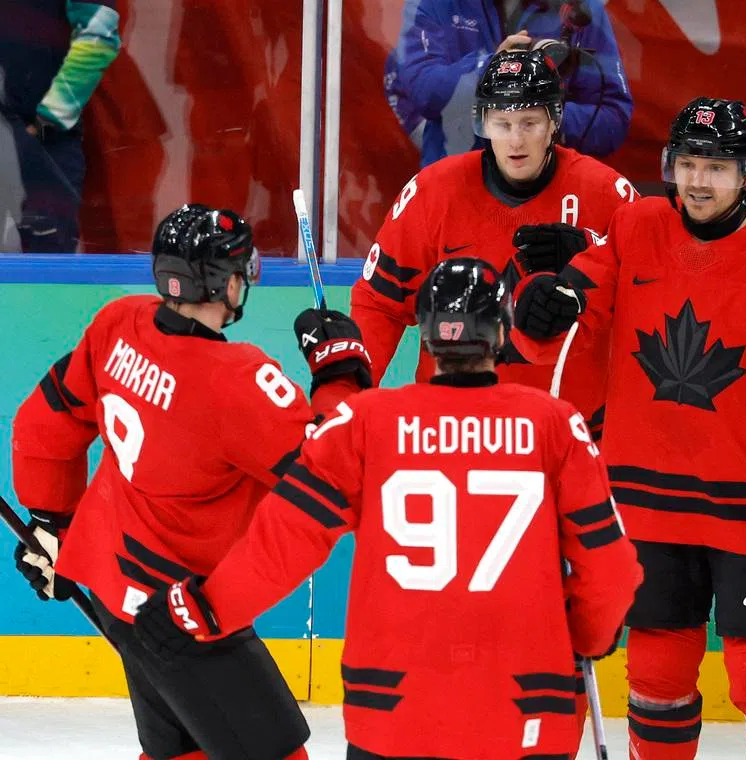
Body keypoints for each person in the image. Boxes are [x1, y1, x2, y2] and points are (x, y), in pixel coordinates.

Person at [130, 257, 643, 759]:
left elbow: (283, 542)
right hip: (524, 703)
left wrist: (204, 608)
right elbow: (611, 569)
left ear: (426, 335)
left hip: (394, 706)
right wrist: (590, 634)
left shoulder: (365, 421)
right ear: (502, 334)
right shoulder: (554, 425)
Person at [510, 97, 746, 760]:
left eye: (716, 166)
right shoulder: (633, 228)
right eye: (688, 164)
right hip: (650, 505)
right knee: (654, 675)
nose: (699, 181)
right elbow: (567, 328)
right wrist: (536, 311)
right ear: (669, 165)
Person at [11, 204, 372, 759]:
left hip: (117, 591)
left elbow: (47, 420)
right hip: (186, 612)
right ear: (229, 284)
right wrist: (339, 377)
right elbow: (332, 476)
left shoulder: (119, 324)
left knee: (181, 749)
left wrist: (49, 521)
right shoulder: (239, 384)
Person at [352, 48, 637, 444]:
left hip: (572, 434)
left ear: (554, 121)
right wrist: (345, 403)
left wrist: (594, 254)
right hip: (454, 430)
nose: (515, 140)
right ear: (483, 122)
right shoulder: (434, 192)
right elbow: (379, 304)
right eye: (502, 124)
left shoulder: (607, 194)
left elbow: (649, 300)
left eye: (529, 122)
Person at [387, 0, 631, 166]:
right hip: (456, 188)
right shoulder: (437, 3)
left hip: (549, 193)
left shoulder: (579, 8)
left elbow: (612, 119)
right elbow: (424, 91)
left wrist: (542, 118)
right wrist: (495, 67)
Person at [1, 0, 121, 252]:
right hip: (36, 134)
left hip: (42, 140)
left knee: (48, 264)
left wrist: (49, 122)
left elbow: (99, 36)